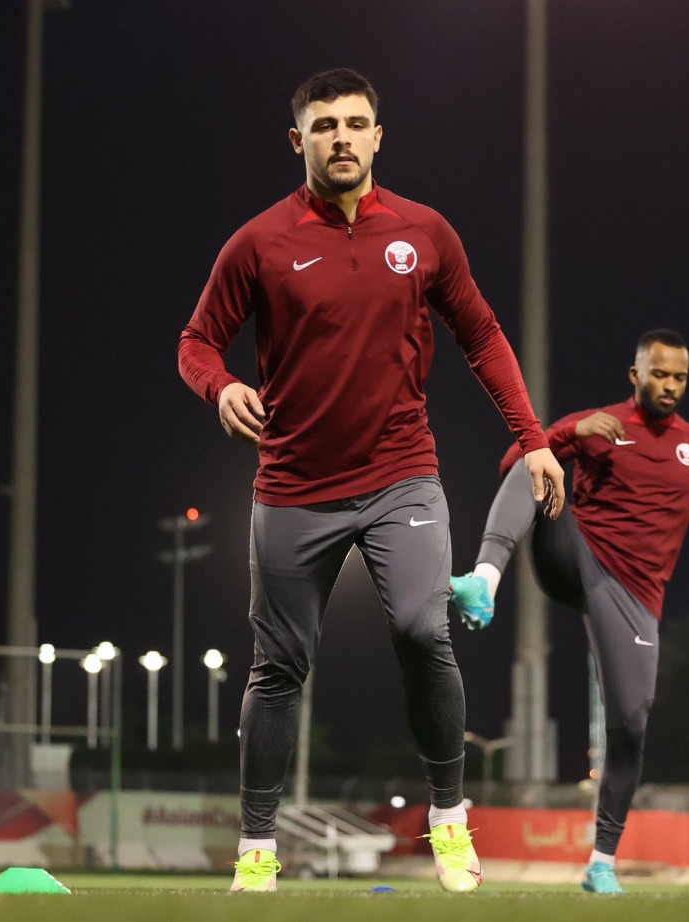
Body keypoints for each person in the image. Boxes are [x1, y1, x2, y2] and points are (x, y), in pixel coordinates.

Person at [177, 67, 565, 894]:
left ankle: (451, 824)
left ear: (379, 137)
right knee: (277, 668)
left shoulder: (425, 233)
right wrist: (223, 388)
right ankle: (257, 846)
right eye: (325, 127)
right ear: (299, 141)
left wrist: (532, 437)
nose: (342, 138)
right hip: (292, 486)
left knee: (427, 634)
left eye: (356, 124)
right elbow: (196, 343)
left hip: (402, 477)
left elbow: (484, 335)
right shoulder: (259, 242)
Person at [449, 329, 689, 894]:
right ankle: (483, 580)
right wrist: (566, 434)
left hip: (633, 596)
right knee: (537, 462)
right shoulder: (600, 424)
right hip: (574, 553)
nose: (670, 385)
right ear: (636, 375)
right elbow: (514, 461)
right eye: (660, 374)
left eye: (679, 377)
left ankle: (601, 862)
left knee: (631, 726)